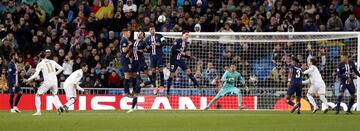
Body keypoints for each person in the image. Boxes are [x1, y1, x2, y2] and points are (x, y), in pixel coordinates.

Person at [167, 31, 199, 96]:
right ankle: (168, 90)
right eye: (186, 35)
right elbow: (173, 50)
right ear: (182, 35)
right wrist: (181, 52)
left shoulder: (186, 44)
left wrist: (189, 57)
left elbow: (183, 54)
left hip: (180, 60)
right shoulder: (178, 41)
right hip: (174, 60)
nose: (187, 36)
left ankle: (198, 85)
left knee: (188, 71)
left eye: (188, 35)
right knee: (172, 75)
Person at [145, 26, 166, 95]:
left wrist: (159, 44)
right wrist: (147, 48)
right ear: (149, 30)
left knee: (160, 69)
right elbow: (146, 48)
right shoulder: (147, 39)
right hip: (152, 56)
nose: (152, 30)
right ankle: (154, 86)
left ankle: (162, 85)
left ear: (155, 30)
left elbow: (164, 42)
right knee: (153, 70)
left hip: (159, 55)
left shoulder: (160, 36)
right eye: (151, 29)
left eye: (153, 29)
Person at [119, 29, 134, 97]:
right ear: (124, 33)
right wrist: (129, 45)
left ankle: (127, 91)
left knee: (129, 75)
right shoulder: (123, 40)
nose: (129, 33)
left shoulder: (126, 40)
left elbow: (128, 51)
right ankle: (126, 92)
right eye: (128, 32)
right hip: (124, 59)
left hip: (127, 59)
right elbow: (124, 50)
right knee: (127, 75)